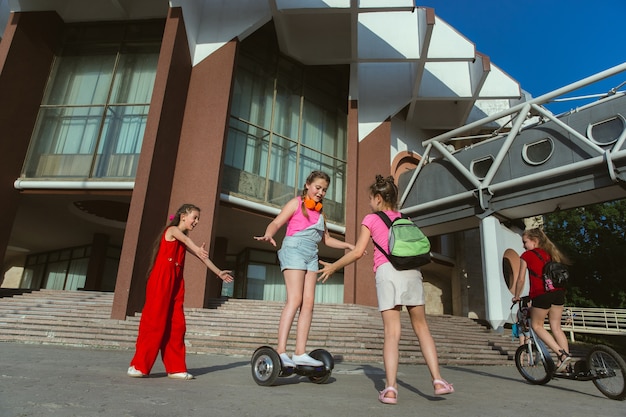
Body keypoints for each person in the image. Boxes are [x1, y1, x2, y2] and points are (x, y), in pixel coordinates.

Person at [316, 175, 454, 404]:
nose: (370, 203)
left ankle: (390, 389)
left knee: (392, 333)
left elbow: (358, 251)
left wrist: (334, 266)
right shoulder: (404, 218)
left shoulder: (370, 219)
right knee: (422, 328)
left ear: (379, 199)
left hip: (387, 273)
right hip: (411, 272)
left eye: (371, 198)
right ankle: (438, 380)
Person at [254, 170, 355, 368]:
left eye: (324, 190)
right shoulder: (296, 203)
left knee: (308, 303)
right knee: (295, 299)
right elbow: (276, 222)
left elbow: (327, 240)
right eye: (318, 187)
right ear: (308, 184)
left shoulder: (320, 213)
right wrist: (268, 233)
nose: (320, 192)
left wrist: (348, 246)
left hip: (312, 254)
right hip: (294, 249)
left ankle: (299, 352)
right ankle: (281, 351)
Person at [128, 203, 234, 380]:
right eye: (195, 217)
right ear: (183, 216)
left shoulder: (184, 240)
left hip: (176, 283)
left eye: (198, 219)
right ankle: (139, 366)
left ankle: (175, 368)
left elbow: (202, 257)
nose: (197, 221)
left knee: (177, 325)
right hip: (161, 280)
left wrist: (218, 272)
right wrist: (197, 248)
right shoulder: (172, 231)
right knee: (154, 322)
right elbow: (186, 240)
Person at [512, 228, 571, 372]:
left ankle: (561, 354)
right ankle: (566, 364)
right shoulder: (551, 253)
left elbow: (520, 279)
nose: (523, 245)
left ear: (534, 241)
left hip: (541, 293)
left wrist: (517, 295)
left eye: (525, 242)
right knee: (556, 327)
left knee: (537, 326)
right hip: (558, 292)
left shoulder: (527, 255)